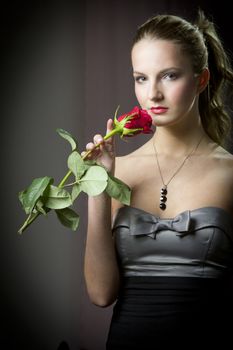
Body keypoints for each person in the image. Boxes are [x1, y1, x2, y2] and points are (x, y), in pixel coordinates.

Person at [83, 9, 233, 349]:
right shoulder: (117, 170)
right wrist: (99, 185)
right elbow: (101, 293)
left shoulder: (228, 173)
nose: (152, 94)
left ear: (201, 80)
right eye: (141, 78)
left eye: (168, 76)